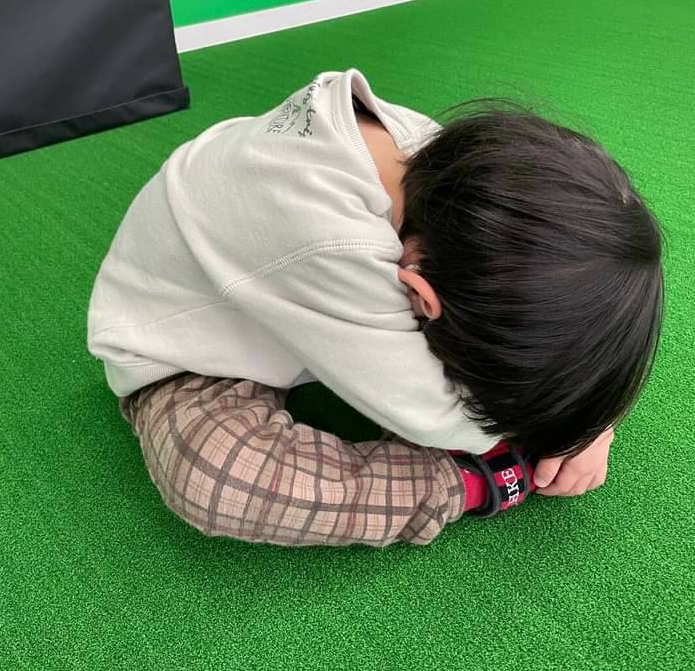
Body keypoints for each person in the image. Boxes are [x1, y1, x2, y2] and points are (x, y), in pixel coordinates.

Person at [87, 68, 663, 547]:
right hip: (194, 344)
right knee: (215, 477)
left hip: (298, 288)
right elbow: (427, 412)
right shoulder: (331, 238)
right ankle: (465, 483)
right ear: (420, 297)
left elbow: (570, 305)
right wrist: (552, 435)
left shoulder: (439, 164)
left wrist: (590, 420)